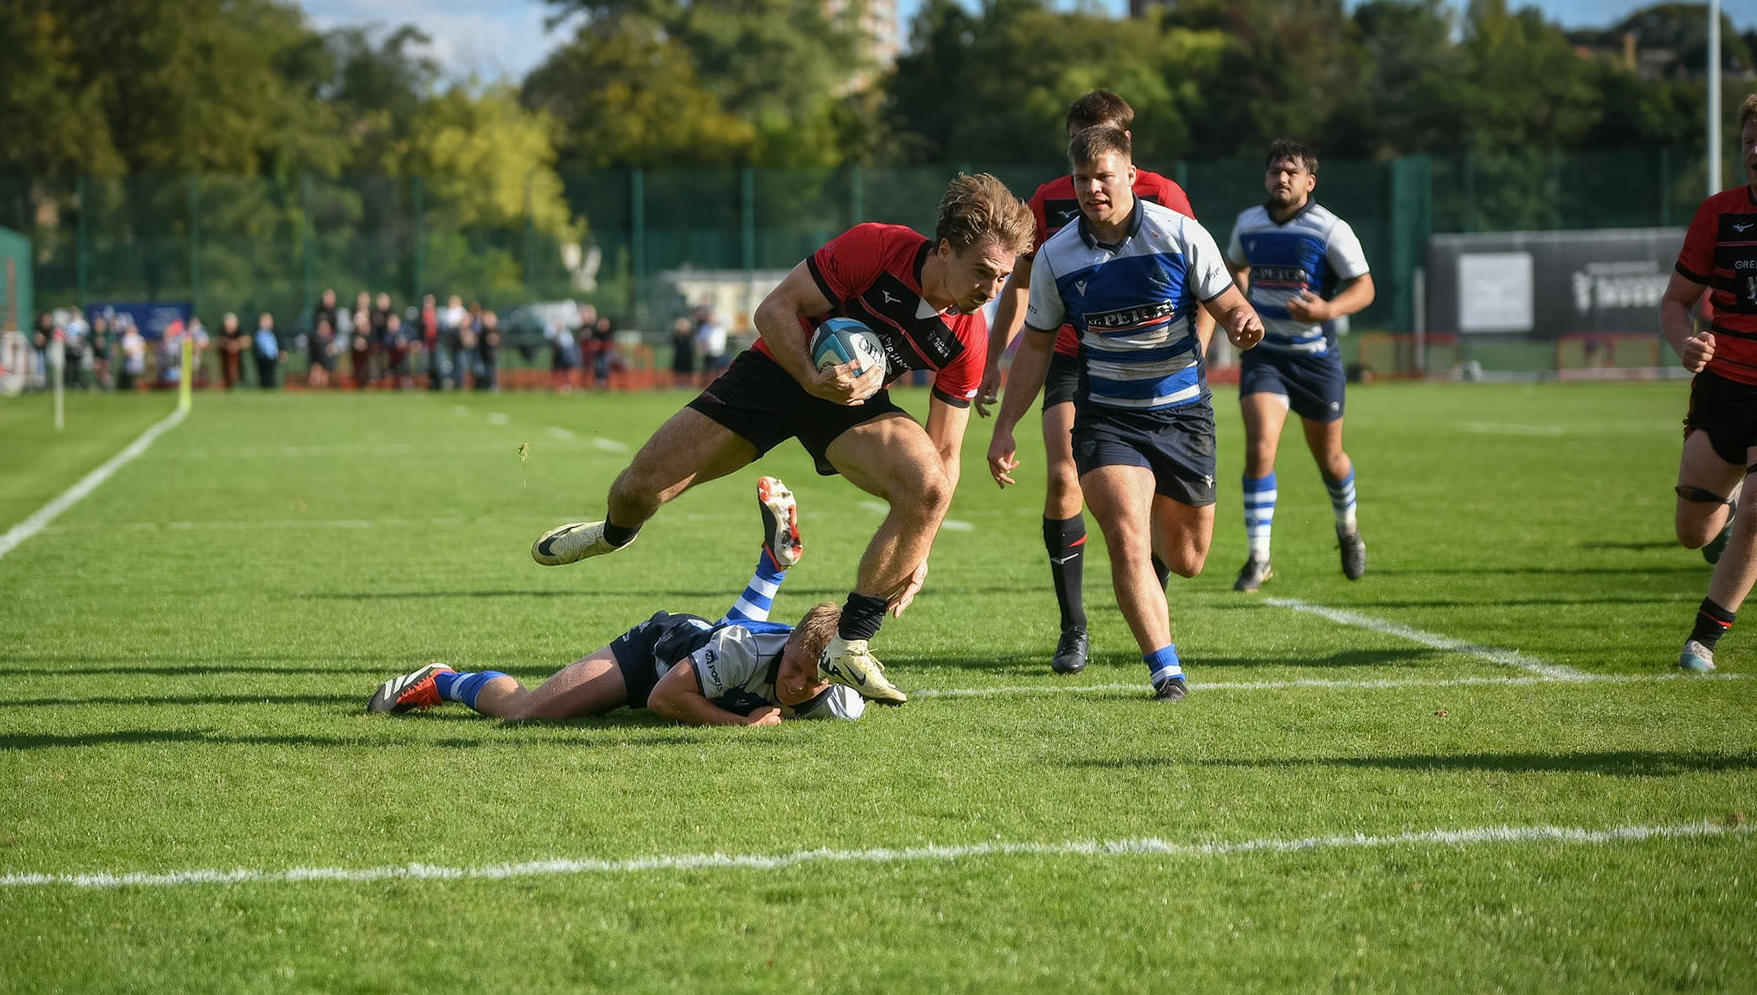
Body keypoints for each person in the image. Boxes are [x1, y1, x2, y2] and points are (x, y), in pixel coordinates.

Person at [533, 173, 1031, 705]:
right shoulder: (877, 247)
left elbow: (948, 452)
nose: (993, 290)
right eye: (983, 272)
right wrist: (811, 376)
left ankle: (851, 641)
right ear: (946, 249)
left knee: (929, 485)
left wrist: (921, 539)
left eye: (1003, 278)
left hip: (850, 409)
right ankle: (613, 533)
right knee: (637, 489)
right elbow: (773, 309)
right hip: (776, 372)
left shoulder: (968, 337)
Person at [988, 124, 1265, 701]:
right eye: (1082, 179)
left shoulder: (1182, 235)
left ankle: (1156, 595)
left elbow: (1228, 300)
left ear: (1131, 177)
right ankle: (1166, 671)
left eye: (1104, 177)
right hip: (1107, 418)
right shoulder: (1055, 255)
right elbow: (1036, 345)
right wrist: (1006, 424)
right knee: (1124, 535)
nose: (1092, 188)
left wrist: (1242, 320)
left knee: (1187, 559)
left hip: (1184, 415)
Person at [371, 478, 863, 726]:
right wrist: (741, 727)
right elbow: (664, 698)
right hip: (652, 658)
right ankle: (444, 680)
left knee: (726, 646)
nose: (800, 684)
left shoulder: (836, 693)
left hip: (716, 646)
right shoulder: (753, 653)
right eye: (797, 668)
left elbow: (860, 690)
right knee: (525, 714)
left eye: (813, 677)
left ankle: (771, 570)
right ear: (792, 643)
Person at [1225, 139, 1377, 592]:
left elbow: (1364, 287)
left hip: (1315, 359)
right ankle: (1259, 558)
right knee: (1259, 450)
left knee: (1329, 459)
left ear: (1310, 181)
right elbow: (1235, 267)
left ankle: (1348, 530)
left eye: (1291, 172)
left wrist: (1327, 311)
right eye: (1275, 171)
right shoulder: (1248, 223)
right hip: (1266, 356)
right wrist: (1240, 308)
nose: (1281, 178)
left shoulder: (1330, 229)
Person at [1663, 92, 1757, 673]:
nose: (1755, 151)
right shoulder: (1718, 213)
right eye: (1749, 142)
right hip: (1722, 389)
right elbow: (1676, 302)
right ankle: (1724, 537)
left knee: (1756, 512)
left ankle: (1702, 641)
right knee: (1693, 532)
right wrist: (1685, 344)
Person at [216, 313, 250, 390]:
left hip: (239, 360)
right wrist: (228, 344)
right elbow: (218, 341)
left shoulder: (240, 330)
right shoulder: (221, 331)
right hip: (224, 359)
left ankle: (240, 385)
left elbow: (247, 340)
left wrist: (237, 344)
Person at [252, 312, 281, 389]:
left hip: (272, 358)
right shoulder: (258, 333)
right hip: (261, 358)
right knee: (263, 376)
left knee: (271, 375)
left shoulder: (275, 332)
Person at [671, 316, 698, 386]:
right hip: (679, 355)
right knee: (678, 370)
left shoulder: (689, 335)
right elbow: (674, 342)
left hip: (687, 355)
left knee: (687, 370)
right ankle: (678, 384)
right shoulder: (677, 336)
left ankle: (688, 384)